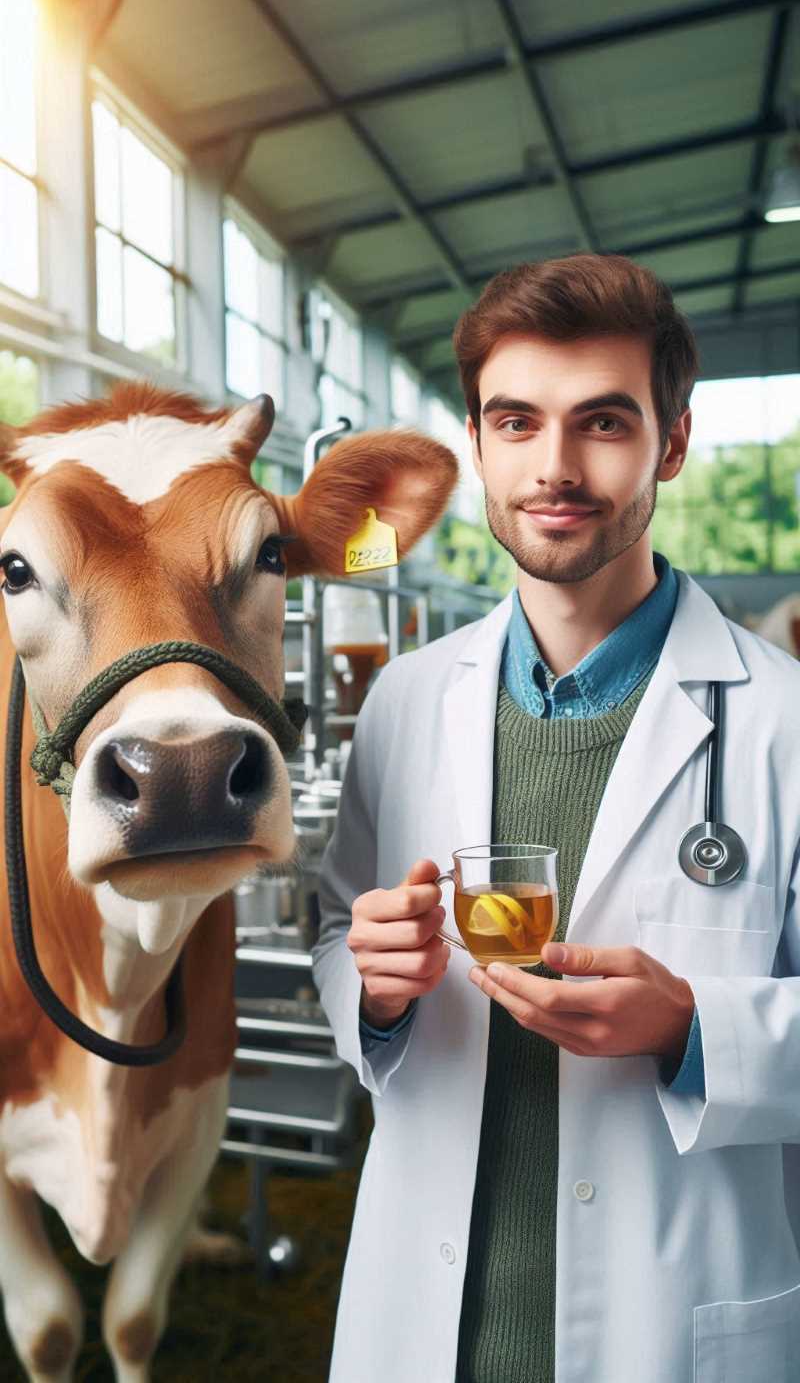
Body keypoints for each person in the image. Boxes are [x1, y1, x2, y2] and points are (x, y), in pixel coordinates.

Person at [312, 254, 800, 1383]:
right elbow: (340, 943)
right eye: (515, 421)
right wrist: (375, 986)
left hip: (668, 1325)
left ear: (670, 444)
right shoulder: (403, 701)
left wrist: (690, 1025)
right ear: (476, 441)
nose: (554, 467)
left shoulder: (781, 718)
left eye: (602, 423)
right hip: (422, 1325)